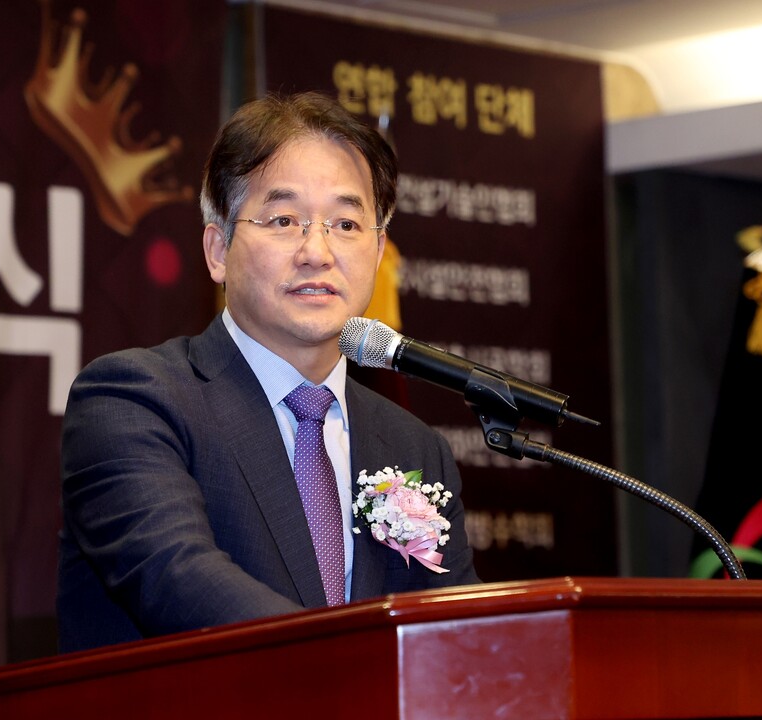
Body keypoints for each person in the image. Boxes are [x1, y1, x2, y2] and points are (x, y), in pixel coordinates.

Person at [56, 92, 480, 652]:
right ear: (218, 250)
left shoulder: (414, 447)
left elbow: (459, 640)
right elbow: (178, 579)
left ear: (379, 253)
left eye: (346, 223)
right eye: (284, 220)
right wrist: (352, 671)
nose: (317, 251)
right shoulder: (133, 402)